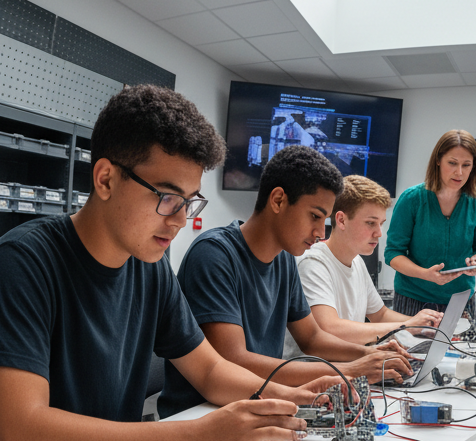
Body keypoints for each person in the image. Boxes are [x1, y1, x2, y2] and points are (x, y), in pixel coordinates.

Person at [0, 85, 337, 441]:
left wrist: (291, 400)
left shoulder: (150, 265)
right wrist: (195, 440)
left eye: (190, 201)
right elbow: (23, 439)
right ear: (106, 179)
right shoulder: (24, 262)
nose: (180, 219)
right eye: (167, 196)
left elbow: (210, 371)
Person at [159, 146, 411, 417]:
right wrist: (348, 369)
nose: (319, 233)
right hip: (203, 413)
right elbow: (233, 360)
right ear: (278, 200)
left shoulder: (284, 259)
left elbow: (312, 337)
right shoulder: (214, 255)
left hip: (261, 403)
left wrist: (366, 355)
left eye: (324, 220)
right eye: (314, 216)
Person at [284, 175, 444, 356]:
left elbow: (380, 314)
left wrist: (420, 324)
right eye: (370, 223)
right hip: (313, 374)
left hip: (347, 368)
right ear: (341, 220)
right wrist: (406, 326)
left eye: (381, 224)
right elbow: (329, 328)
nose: (379, 233)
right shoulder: (313, 263)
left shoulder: (357, 262)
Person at [384, 129, 476, 314]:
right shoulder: (412, 199)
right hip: (413, 299)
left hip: (461, 300)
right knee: (411, 345)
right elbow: (393, 254)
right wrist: (425, 275)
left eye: (466, 165)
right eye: (452, 163)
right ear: (438, 160)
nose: (459, 172)